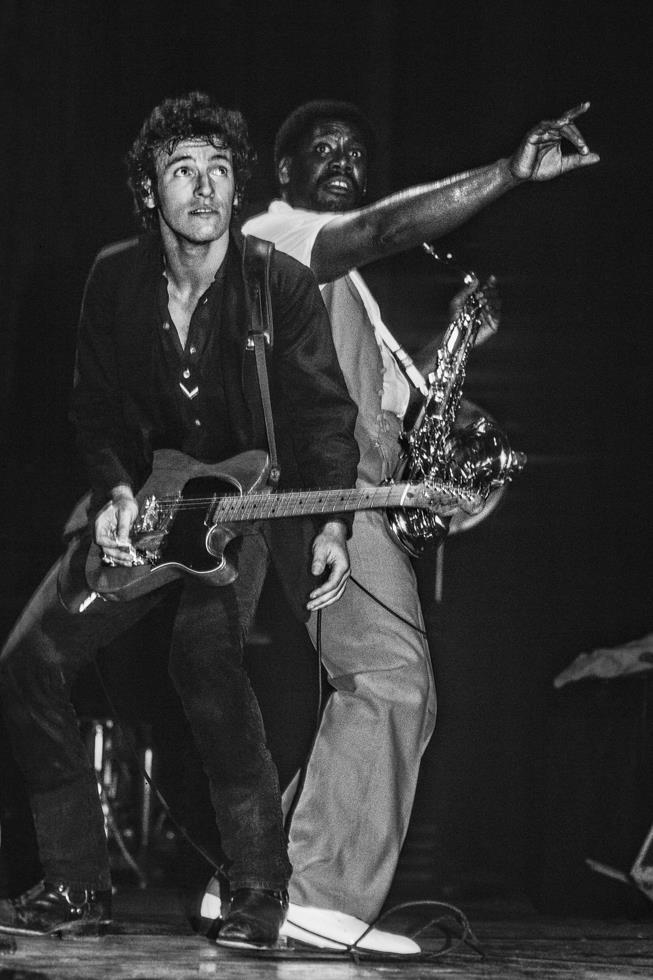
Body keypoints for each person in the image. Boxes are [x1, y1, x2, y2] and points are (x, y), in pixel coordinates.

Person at [236, 99, 600, 953]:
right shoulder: (278, 232)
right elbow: (370, 234)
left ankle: (255, 880)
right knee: (394, 680)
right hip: (330, 495)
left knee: (368, 684)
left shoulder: (353, 298)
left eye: (355, 152)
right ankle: (322, 897)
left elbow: (397, 429)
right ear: (283, 176)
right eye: (319, 150)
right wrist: (507, 174)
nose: (339, 161)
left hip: (365, 497)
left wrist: (445, 469)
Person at [0, 91, 361, 948]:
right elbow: (93, 416)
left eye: (220, 170)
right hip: (152, 499)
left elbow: (323, 419)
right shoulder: (112, 279)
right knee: (28, 666)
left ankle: (259, 892)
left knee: (203, 663)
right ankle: (76, 885)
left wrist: (335, 527)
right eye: (182, 169)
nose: (204, 188)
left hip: (241, 507)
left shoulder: (280, 285)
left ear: (239, 190)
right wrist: (116, 491)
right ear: (149, 190)